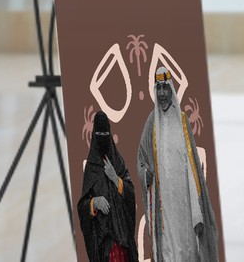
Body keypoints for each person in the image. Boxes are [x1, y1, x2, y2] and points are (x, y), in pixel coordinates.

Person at [137, 68, 220, 262]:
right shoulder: (152, 122)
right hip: (163, 205)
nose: (162, 93)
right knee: (168, 251)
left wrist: (197, 210)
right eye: (158, 88)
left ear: (171, 89)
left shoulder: (182, 121)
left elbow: (193, 167)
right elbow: (141, 158)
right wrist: (145, 173)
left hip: (184, 204)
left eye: (165, 88)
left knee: (187, 249)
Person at [77, 111, 138, 262]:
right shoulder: (91, 167)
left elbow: (131, 194)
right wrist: (94, 203)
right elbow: (82, 206)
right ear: (94, 135)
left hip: (122, 238)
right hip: (103, 242)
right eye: (99, 134)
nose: (102, 137)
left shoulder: (117, 162)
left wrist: (115, 178)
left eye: (105, 134)